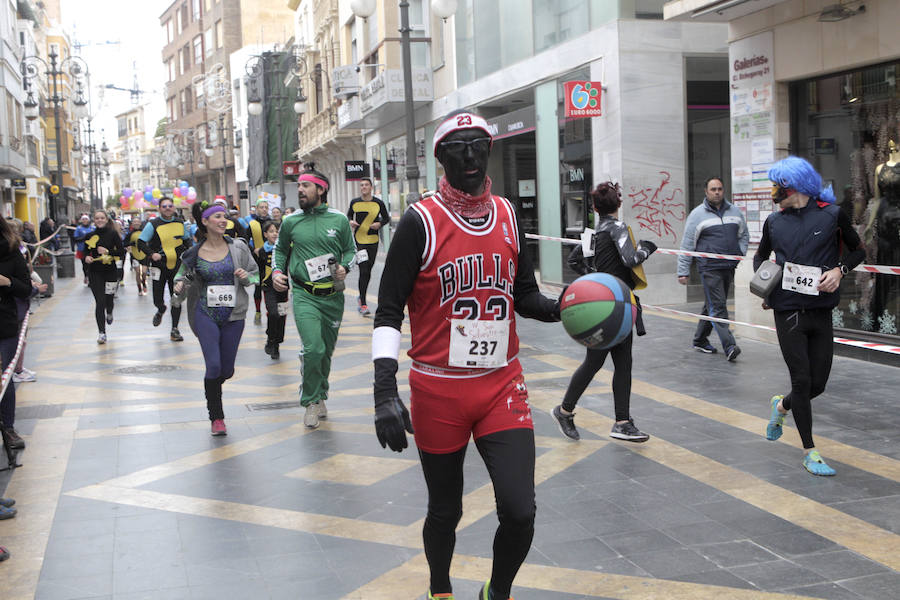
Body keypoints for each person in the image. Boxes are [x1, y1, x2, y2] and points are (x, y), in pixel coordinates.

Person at [371, 110, 559, 600]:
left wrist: (575, 307)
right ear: (440, 158)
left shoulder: (509, 214)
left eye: (479, 145)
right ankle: (440, 588)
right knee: (445, 510)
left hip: (501, 383)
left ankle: (497, 591)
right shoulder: (420, 222)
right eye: (458, 148)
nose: (471, 156)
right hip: (438, 389)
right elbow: (388, 310)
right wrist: (384, 390)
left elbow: (525, 297)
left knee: (520, 510)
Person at [755, 156, 865, 477]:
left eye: (779, 185)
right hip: (787, 310)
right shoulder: (774, 222)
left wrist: (839, 271)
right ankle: (809, 451)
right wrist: (764, 281)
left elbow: (858, 251)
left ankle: (781, 406)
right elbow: (761, 255)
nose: (774, 191)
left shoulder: (833, 216)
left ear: (796, 187)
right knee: (801, 380)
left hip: (821, 310)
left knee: (817, 384)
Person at [552, 182, 657, 443]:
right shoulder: (618, 228)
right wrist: (648, 247)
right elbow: (632, 259)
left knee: (602, 362)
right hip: (618, 305)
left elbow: (574, 261)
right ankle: (588, 415)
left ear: (595, 207)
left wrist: (595, 283)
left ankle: (615, 420)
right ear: (618, 204)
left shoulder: (594, 233)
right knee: (617, 364)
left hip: (601, 305)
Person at [272, 166, 355, 429]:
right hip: (304, 294)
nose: (300, 190)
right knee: (314, 349)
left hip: (333, 296)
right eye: (298, 186)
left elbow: (351, 251)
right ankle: (309, 401)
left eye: (305, 186)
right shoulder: (290, 221)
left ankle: (320, 394)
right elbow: (280, 250)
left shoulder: (339, 220)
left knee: (325, 352)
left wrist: (345, 267)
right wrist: (276, 271)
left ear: (321, 189)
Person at [174, 200, 259, 436]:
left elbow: (256, 276)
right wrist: (179, 287)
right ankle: (217, 417)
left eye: (225, 216)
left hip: (234, 314)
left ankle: (213, 388)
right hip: (204, 313)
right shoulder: (192, 253)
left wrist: (245, 277)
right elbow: (180, 279)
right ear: (205, 221)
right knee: (213, 366)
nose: (223, 220)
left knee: (226, 370)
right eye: (218, 216)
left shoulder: (239, 247)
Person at [677, 176, 749, 360]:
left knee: (711, 305)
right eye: (713, 189)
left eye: (719, 189)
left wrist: (739, 253)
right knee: (718, 307)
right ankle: (730, 346)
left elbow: (744, 235)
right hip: (709, 268)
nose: (717, 192)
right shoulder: (697, 214)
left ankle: (700, 340)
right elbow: (687, 244)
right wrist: (683, 271)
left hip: (729, 266)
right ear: (706, 192)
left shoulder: (735, 211)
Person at [0, 215, 33, 450]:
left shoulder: (11, 252)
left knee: (4, 376)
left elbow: (26, 289)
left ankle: (8, 428)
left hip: (4, 323)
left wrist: (7, 282)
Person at [139, 197, 191, 341]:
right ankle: (161, 309)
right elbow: (141, 242)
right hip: (159, 267)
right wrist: (151, 254)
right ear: (159, 209)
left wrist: (191, 255)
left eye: (170, 205)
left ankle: (175, 329)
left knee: (177, 297)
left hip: (177, 267)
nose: (167, 208)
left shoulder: (180, 223)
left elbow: (187, 242)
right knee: (157, 299)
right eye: (164, 206)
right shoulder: (153, 224)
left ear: (174, 207)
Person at [347, 177, 390, 315]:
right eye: (361, 185)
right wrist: (351, 222)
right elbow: (348, 216)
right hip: (359, 241)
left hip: (373, 241)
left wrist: (379, 224)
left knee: (368, 271)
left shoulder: (378, 203)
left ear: (371, 187)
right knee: (363, 270)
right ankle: (363, 303)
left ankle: (361, 296)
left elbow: (386, 218)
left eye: (366, 185)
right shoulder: (355, 202)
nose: (363, 187)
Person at [84, 210, 125, 344]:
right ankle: (102, 332)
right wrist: (87, 257)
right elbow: (85, 252)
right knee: (100, 302)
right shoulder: (89, 235)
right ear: (94, 221)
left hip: (110, 271)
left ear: (107, 219)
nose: (100, 220)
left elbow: (122, 251)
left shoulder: (112, 234)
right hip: (95, 272)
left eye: (102, 218)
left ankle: (110, 311)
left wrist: (108, 252)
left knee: (109, 299)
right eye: (97, 218)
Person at [259, 221, 287, 359]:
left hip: (283, 288)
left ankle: (276, 344)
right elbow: (258, 270)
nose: (275, 233)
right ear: (265, 234)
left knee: (282, 316)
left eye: (276, 231)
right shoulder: (262, 252)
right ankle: (270, 338)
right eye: (271, 231)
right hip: (268, 288)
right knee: (273, 313)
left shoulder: (285, 249)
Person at [240, 199, 270, 325]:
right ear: (257, 209)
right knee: (257, 286)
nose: (264, 209)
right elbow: (245, 240)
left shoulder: (271, 223)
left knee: (269, 286)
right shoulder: (252, 224)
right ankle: (258, 311)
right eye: (261, 207)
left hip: (270, 259)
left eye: (266, 207)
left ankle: (270, 311)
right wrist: (254, 250)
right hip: (257, 259)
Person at [125, 218, 149, 296]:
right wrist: (129, 244)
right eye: (134, 222)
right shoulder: (129, 234)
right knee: (138, 272)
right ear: (132, 224)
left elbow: (149, 241)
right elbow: (124, 244)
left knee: (144, 272)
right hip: (134, 255)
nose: (136, 223)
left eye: (138, 221)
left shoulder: (144, 232)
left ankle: (144, 283)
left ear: (140, 223)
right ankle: (139, 288)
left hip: (144, 254)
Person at [73, 213, 95, 285]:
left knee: (92, 264)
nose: (85, 220)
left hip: (92, 249)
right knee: (85, 265)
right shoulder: (79, 229)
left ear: (88, 220)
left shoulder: (93, 228)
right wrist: (84, 238)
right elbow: (75, 238)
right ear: (81, 220)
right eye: (83, 219)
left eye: (86, 219)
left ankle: (91, 278)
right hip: (82, 249)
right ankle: (86, 276)